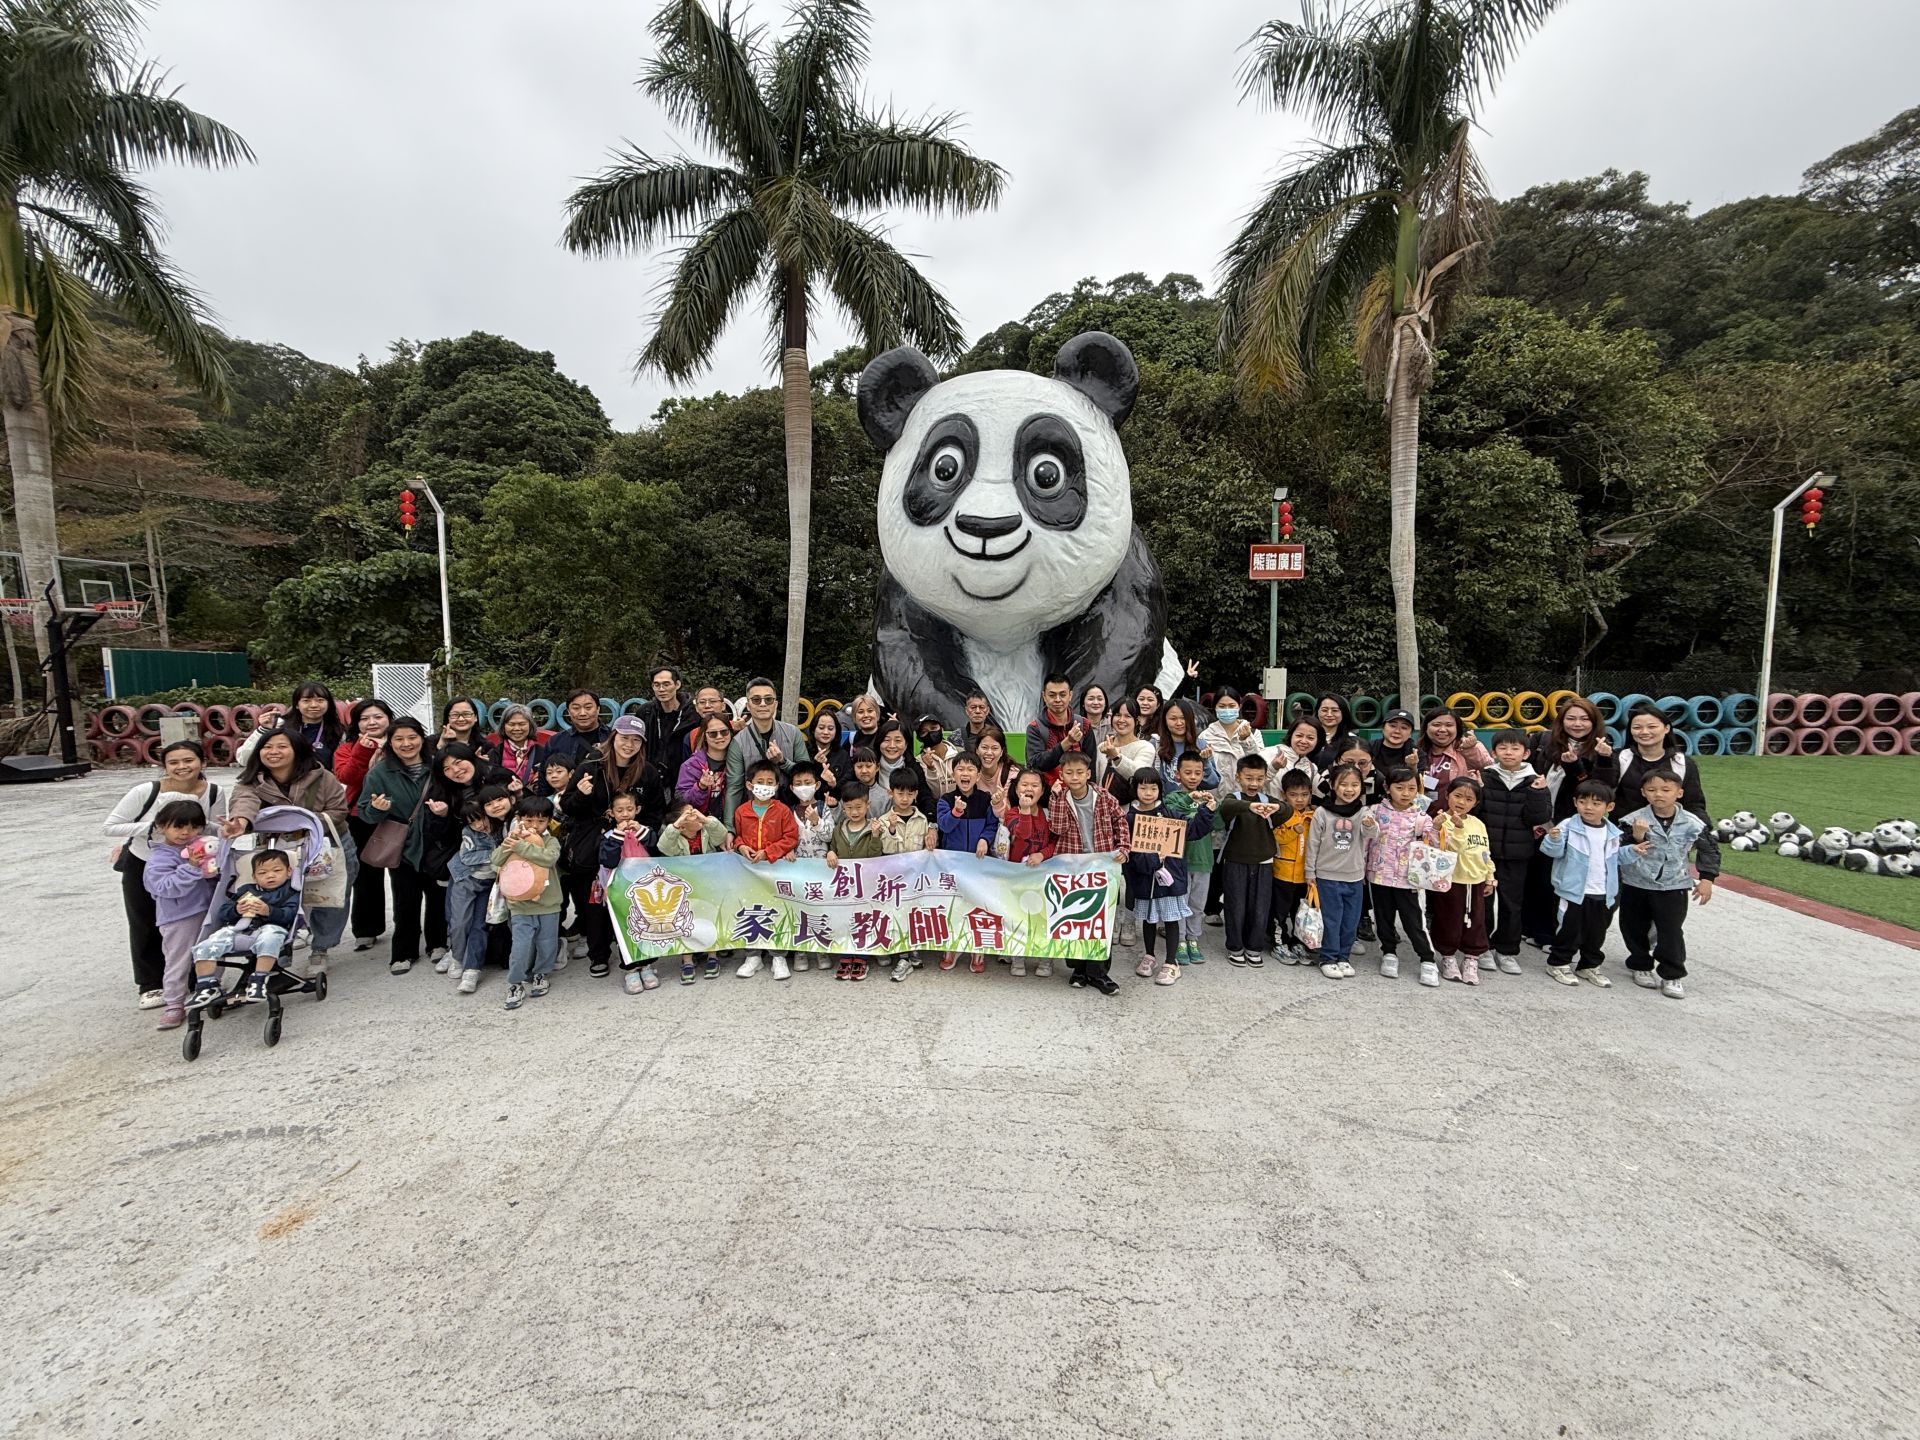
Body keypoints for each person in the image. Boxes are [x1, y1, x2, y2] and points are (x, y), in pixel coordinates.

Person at [103, 739, 225, 1009]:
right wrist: (155, 827)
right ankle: (150, 984)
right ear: (164, 766)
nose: (182, 767)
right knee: (145, 922)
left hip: (192, 864)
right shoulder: (146, 791)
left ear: (202, 762)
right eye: (174, 762)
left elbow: (214, 827)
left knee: (196, 922)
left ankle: (198, 980)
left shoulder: (213, 792)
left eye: (188, 760)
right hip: (146, 860)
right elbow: (110, 827)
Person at [227, 727, 353, 974]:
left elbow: (339, 811)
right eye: (267, 747)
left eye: (282, 746)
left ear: (297, 750)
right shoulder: (252, 779)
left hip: (324, 846)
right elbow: (244, 801)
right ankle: (277, 949)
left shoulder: (321, 776)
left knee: (328, 898)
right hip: (275, 851)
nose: (273, 752)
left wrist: (300, 821)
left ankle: (321, 948)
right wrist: (241, 821)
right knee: (275, 897)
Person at [561, 715, 669, 977]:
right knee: (596, 900)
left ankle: (638, 953)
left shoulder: (648, 771)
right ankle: (598, 954)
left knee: (635, 899)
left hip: (633, 846)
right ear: (613, 738)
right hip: (595, 841)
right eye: (624, 738)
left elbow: (657, 810)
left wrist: (642, 829)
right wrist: (581, 795)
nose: (628, 745)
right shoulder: (591, 766)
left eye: (635, 740)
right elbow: (567, 806)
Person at [1523, 696, 1618, 950]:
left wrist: (1584, 763)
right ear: (1561, 721)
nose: (1577, 724)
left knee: (1558, 879)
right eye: (1571, 718)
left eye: (1584, 719)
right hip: (1536, 818)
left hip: (1567, 824)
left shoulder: (1601, 748)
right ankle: (1530, 927)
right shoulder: (1544, 742)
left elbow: (1598, 789)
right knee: (1535, 876)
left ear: (1594, 722)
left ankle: (1553, 934)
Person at [1617, 769, 1719, 1000]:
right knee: (1634, 926)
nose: (1658, 795)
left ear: (1679, 792)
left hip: (1673, 884)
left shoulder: (1693, 823)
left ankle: (1672, 973)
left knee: (1671, 929)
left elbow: (1709, 850)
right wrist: (1637, 837)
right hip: (1637, 882)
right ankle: (1640, 963)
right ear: (1643, 793)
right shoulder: (1633, 820)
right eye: (1652, 790)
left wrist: (1707, 879)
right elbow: (1618, 850)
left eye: (1666, 790)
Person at [356, 717, 444, 976]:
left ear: (422, 739)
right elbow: (364, 812)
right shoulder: (380, 773)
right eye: (399, 739)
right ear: (390, 743)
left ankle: (438, 943)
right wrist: (376, 809)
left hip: (436, 843)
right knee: (406, 900)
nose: (407, 744)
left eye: (412, 737)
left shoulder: (437, 767)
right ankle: (403, 952)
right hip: (403, 847)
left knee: (438, 897)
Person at [422, 742, 516, 973]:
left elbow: (519, 811)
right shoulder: (442, 792)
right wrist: (443, 815)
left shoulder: (498, 776)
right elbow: (440, 835)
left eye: (458, 762)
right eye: (447, 768)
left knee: (495, 914)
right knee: (459, 915)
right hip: (468, 862)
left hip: (504, 861)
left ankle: (498, 953)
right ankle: (457, 953)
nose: (455, 770)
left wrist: (519, 792)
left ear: (471, 758)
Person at [1044, 750, 1129, 995]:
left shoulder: (1104, 796)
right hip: (1072, 866)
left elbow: (1120, 822)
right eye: (1069, 773)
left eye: (1080, 772)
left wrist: (1124, 847)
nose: (1075, 777)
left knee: (1099, 920)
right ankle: (1078, 969)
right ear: (1062, 774)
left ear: (1089, 773)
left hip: (1101, 865)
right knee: (1074, 917)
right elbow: (1057, 828)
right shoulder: (1059, 797)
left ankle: (1099, 973)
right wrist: (1058, 799)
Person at [1121, 770, 1208, 986]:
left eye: (1153, 788)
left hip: (1169, 879)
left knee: (1170, 920)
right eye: (1143, 788)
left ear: (1160, 789)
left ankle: (1171, 963)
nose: (1148, 793)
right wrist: (1149, 861)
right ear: (1135, 789)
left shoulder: (1170, 814)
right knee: (1149, 920)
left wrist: (1207, 811)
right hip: (1144, 880)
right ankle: (1149, 955)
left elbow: (1193, 832)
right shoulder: (1129, 818)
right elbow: (1129, 852)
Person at [140, 799, 221, 1030]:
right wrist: (192, 868)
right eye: (178, 827)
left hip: (207, 910)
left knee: (213, 952)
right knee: (179, 961)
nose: (186, 832)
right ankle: (174, 1003)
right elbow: (163, 887)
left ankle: (210, 988)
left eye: (194, 827)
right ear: (162, 826)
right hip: (179, 917)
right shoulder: (159, 858)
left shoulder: (202, 847)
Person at [1478, 729, 1551, 975]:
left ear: (1526, 753)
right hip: (1484, 852)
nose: (1509, 753)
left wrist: (1538, 793)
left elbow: (1538, 818)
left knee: (1512, 903)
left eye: (1515, 748)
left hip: (1518, 854)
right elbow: (1476, 813)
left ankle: (1507, 950)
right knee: (1483, 901)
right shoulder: (1486, 777)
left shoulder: (1535, 780)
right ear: (1493, 752)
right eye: (1503, 748)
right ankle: (1482, 947)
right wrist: (1477, 790)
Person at [1539, 780, 1625, 988]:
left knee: (1596, 932)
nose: (1589, 807)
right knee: (1569, 930)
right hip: (1573, 891)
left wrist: (1632, 852)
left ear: (1609, 807)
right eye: (1583, 801)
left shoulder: (1612, 831)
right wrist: (1553, 840)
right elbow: (1552, 852)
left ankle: (1589, 965)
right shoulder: (1568, 825)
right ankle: (1559, 963)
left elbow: (1616, 858)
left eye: (1596, 803)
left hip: (1603, 892)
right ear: (1575, 802)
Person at [188, 849, 300, 1006]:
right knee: (204, 946)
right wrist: (236, 909)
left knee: (270, 937)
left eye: (277, 870)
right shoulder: (246, 890)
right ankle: (206, 986)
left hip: (272, 928)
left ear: (289, 872)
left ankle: (259, 978)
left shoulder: (290, 891)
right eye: (263, 873)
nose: (270, 875)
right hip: (239, 930)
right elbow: (223, 913)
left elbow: (291, 915)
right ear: (254, 877)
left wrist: (269, 911)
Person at [333, 698, 394, 954]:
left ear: (388, 718)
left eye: (378, 717)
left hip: (396, 815)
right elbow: (346, 776)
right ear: (356, 723)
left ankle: (409, 925)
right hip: (360, 815)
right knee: (365, 873)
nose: (372, 723)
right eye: (365, 718)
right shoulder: (347, 748)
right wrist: (362, 750)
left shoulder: (401, 743)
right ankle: (366, 929)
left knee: (404, 874)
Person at [1368, 765, 1439, 985]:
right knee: (1383, 918)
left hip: (1409, 880)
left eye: (1411, 788)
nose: (1406, 793)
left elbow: (1434, 845)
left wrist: (1436, 828)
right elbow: (1366, 840)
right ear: (1387, 788)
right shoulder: (1375, 812)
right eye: (1400, 788)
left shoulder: (1421, 817)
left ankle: (1427, 959)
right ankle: (1388, 952)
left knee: (1414, 921)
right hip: (1379, 876)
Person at [732, 757, 799, 979]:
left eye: (770, 782)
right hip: (748, 871)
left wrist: (769, 852)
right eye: (760, 781)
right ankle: (753, 956)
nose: (765, 785)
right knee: (750, 909)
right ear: (749, 785)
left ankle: (778, 956)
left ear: (777, 786)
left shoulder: (782, 811)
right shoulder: (742, 811)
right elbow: (738, 835)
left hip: (775, 870)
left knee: (776, 909)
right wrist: (741, 846)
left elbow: (791, 837)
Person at [496, 796, 564, 1011]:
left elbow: (548, 858)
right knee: (521, 946)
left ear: (548, 822)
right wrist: (511, 844)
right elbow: (496, 860)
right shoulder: (512, 838)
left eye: (541, 821)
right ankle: (515, 983)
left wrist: (522, 847)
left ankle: (541, 973)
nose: (535, 826)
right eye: (529, 820)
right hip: (519, 904)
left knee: (547, 943)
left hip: (548, 904)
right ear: (519, 819)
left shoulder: (551, 840)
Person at [936, 752, 1002, 973]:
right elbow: (944, 827)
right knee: (953, 908)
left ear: (977, 774)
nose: (965, 774)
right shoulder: (945, 800)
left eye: (970, 769)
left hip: (979, 864)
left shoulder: (985, 799)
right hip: (952, 865)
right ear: (952, 773)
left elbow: (992, 825)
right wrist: (956, 811)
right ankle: (952, 948)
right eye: (960, 769)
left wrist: (984, 839)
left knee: (978, 906)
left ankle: (977, 950)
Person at [1304, 763, 1371, 980]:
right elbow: (1312, 843)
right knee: (1332, 919)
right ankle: (1328, 957)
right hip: (1327, 876)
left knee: (1350, 920)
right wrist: (1310, 872)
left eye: (1355, 784)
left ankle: (1344, 957)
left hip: (1354, 876)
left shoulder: (1363, 812)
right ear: (1333, 785)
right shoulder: (1322, 812)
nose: (1349, 789)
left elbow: (1372, 834)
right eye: (1343, 784)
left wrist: (1370, 824)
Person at [1216, 754, 1282, 967]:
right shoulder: (1233, 798)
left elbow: (1288, 811)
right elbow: (1226, 807)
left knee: (1260, 907)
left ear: (1265, 779)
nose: (1254, 783)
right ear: (1238, 777)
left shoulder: (1268, 801)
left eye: (1259, 779)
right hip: (1235, 860)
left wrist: (1277, 808)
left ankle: (1254, 947)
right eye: (1249, 778)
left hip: (1264, 862)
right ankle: (1235, 947)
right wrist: (1249, 806)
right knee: (1235, 905)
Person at [448, 785, 514, 995]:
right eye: (472, 822)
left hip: (488, 885)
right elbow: (467, 857)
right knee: (459, 922)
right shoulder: (469, 832)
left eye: (480, 818)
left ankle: (471, 969)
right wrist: (495, 854)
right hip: (466, 881)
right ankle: (456, 956)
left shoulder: (501, 826)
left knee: (479, 924)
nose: (478, 825)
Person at [1429, 778, 1495, 984]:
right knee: (1449, 918)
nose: (1461, 802)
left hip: (1475, 880)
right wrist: (1455, 829)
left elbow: (1485, 852)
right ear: (1447, 795)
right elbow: (1447, 849)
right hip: (1451, 880)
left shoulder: (1478, 823)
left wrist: (1489, 877)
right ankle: (1448, 957)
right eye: (1457, 796)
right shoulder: (1441, 820)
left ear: (1475, 803)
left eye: (1468, 799)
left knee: (1476, 920)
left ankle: (1471, 958)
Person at [657, 799, 731, 982]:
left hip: (709, 885)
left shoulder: (706, 832)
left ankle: (712, 956)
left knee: (710, 919)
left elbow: (721, 834)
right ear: (681, 825)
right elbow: (663, 846)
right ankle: (687, 958)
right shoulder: (675, 838)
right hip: (684, 889)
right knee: (685, 922)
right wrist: (676, 824)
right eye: (689, 814)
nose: (695, 814)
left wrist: (704, 819)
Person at [597, 790, 662, 995]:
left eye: (629, 809)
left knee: (647, 927)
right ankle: (631, 969)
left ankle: (647, 966)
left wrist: (642, 833)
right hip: (620, 892)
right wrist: (618, 837)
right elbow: (608, 860)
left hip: (646, 889)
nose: (625, 814)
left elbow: (658, 850)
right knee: (624, 930)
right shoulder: (608, 837)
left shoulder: (646, 831)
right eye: (619, 810)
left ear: (637, 810)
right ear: (611, 813)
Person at [1162, 751, 1221, 968]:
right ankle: (1178, 941)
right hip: (1179, 861)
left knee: (1197, 904)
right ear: (1178, 775)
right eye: (1188, 772)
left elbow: (1219, 824)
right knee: (1180, 903)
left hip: (1204, 860)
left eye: (1198, 773)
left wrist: (1213, 806)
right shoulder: (1172, 798)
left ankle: (1193, 939)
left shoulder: (1209, 798)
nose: (1193, 777)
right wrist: (1191, 799)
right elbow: (1173, 816)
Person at [825, 780, 888, 981]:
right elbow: (832, 847)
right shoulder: (839, 828)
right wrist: (830, 853)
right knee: (844, 919)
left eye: (859, 807)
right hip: (844, 886)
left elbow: (875, 856)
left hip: (866, 884)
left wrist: (876, 836)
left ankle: (861, 957)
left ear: (868, 805)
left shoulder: (873, 828)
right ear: (843, 807)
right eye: (849, 808)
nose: (854, 812)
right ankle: (845, 955)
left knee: (863, 920)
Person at [876, 772, 934, 983]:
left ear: (916, 794)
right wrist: (891, 829)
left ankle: (913, 950)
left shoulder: (922, 819)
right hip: (894, 879)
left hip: (916, 880)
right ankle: (903, 957)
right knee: (897, 915)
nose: (904, 798)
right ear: (891, 793)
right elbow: (884, 849)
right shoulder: (883, 821)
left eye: (909, 794)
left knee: (914, 915)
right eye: (900, 793)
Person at [1613, 702, 1710, 821]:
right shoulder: (1620, 758)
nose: (1644, 732)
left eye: (1652, 727)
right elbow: (1601, 794)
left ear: (1666, 728)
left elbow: (1694, 804)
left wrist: (1702, 830)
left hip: (1670, 833)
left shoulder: (1682, 763)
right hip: (1626, 830)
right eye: (1637, 727)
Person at [725, 677, 804, 820]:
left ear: (775, 704)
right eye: (756, 700)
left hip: (790, 811)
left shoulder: (793, 733)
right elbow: (734, 788)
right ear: (748, 705)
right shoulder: (738, 742)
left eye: (768, 699)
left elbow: (806, 775)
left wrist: (782, 761)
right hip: (753, 815)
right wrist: (730, 828)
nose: (763, 704)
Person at [1266, 770, 1315, 962]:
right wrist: (1294, 831)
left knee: (1300, 912)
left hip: (1304, 875)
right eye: (1293, 795)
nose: (1300, 800)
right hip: (1282, 873)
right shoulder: (1282, 815)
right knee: (1279, 911)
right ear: (1283, 795)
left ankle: (1298, 942)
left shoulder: (1314, 816)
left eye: (1304, 795)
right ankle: (1279, 943)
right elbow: (1275, 839)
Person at [1025, 673, 1094, 791]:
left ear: (1070, 695)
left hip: (1079, 795)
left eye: (1062, 694)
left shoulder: (1084, 724)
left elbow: (1091, 764)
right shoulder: (1035, 728)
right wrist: (1066, 743)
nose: (1057, 700)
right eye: (1052, 695)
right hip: (1048, 796)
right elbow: (1036, 764)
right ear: (1044, 696)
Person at [1416, 709, 1493, 800]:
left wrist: (1470, 749)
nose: (1442, 730)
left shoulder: (1465, 748)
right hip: (1420, 812)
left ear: (1457, 728)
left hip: (1455, 812)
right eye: (1436, 725)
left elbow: (1488, 767)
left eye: (1449, 725)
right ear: (1426, 728)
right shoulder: (1416, 752)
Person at [635, 666, 702, 772]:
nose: (661, 689)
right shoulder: (645, 712)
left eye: (666, 684)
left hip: (684, 776)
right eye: (657, 685)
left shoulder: (693, 713)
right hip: (651, 775)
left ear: (677, 685)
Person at [1095, 700, 1157, 806]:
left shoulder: (1145, 747)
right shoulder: (1102, 746)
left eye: (1128, 716)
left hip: (1131, 812)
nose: (1121, 720)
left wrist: (1116, 756)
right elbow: (1096, 780)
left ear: (1137, 720)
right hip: (1103, 810)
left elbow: (1139, 775)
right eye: (1118, 715)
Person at [1198, 688, 1263, 780]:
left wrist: (1246, 740)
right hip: (1214, 793)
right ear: (1215, 707)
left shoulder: (1254, 733)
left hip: (1244, 792)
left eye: (1232, 706)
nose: (1227, 710)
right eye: (1222, 706)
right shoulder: (1205, 736)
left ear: (1239, 706)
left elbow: (1259, 764)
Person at [678, 714, 734, 816]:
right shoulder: (690, 765)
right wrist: (700, 787)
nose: (719, 737)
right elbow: (682, 801)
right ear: (704, 736)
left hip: (731, 822)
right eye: (713, 733)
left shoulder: (738, 761)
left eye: (724, 732)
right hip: (699, 823)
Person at [1154, 699, 1216, 787]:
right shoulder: (1155, 744)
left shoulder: (1201, 745)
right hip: (1164, 800)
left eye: (1183, 718)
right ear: (1164, 721)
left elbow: (1212, 783)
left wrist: (1205, 762)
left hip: (1192, 799)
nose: (1179, 723)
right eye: (1173, 718)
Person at [545, 690, 611, 768]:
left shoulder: (612, 737)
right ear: (568, 712)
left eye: (588, 707)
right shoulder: (555, 742)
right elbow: (544, 774)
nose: (582, 713)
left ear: (598, 709)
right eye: (576, 708)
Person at [287, 682, 346, 769]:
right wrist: (264, 729)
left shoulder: (338, 732)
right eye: (306, 701)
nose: (314, 705)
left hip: (324, 780)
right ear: (297, 705)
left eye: (320, 700)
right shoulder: (282, 728)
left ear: (328, 704)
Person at [490, 704, 549, 789]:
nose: (517, 728)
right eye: (511, 724)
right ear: (503, 726)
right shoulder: (495, 753)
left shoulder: (542, 752)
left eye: (522, 724)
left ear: (530, 725)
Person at [1267, 719, 1320, 796]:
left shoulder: (1312, 768)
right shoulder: (1270, 753)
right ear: (1291, 735)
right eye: (1299, 736)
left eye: (1310, 738)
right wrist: (1273, 768)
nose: (1304, 741)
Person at [1310, 694, 1359, 771]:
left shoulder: (1352, 740)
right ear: (1317, 712)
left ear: (1343, 713)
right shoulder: (1307, 737)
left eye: (1335, 710)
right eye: (1324, 710)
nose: (1329, 714)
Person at [437, 697, 491, 761]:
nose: (461, 719)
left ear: (476, 717)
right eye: (455, 715)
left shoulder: (485, 746)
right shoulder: (432, 742)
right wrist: (440, 747)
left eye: (466, 714)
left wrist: (483, 764)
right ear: (448, 718)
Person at [914, 715, 955, 799]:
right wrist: (931, 769)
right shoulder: (918, 762)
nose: (930, 733)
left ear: (942, 729)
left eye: (933, 728)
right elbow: (933, 794)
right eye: (924, 732)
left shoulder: (959, 753)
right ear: (919, 738)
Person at [1079, 684, 1113, 749]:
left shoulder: (1112, 725)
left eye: (1100, 699)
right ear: (1083, 703)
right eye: (1091, 699)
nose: (1095, 702)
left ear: (1105, 703)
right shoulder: (1077, 725)